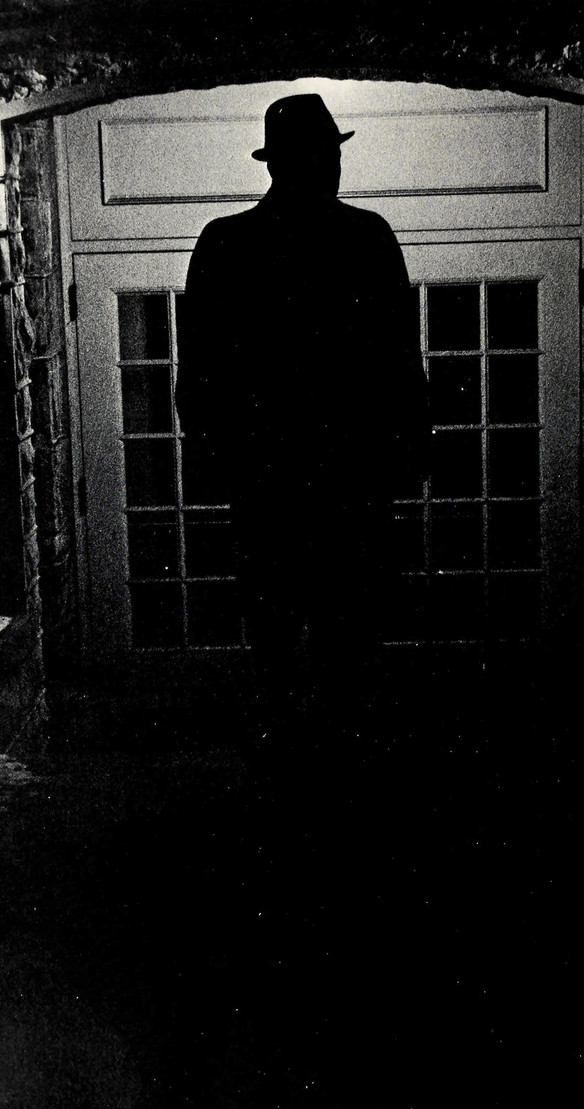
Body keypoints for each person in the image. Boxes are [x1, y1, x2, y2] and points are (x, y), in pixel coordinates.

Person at [176, 93, 428, 709]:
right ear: (299, 161)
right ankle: (337, 746)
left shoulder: (227, 242)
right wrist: (407, 455)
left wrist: (219, 460)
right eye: (326, 154)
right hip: (347, 475)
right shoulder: (366, 237)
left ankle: (291, 747)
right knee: (345, 639)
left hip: (270, 477)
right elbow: (400, 361)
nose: (334, 167)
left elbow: (200, 374)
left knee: (280, 640)